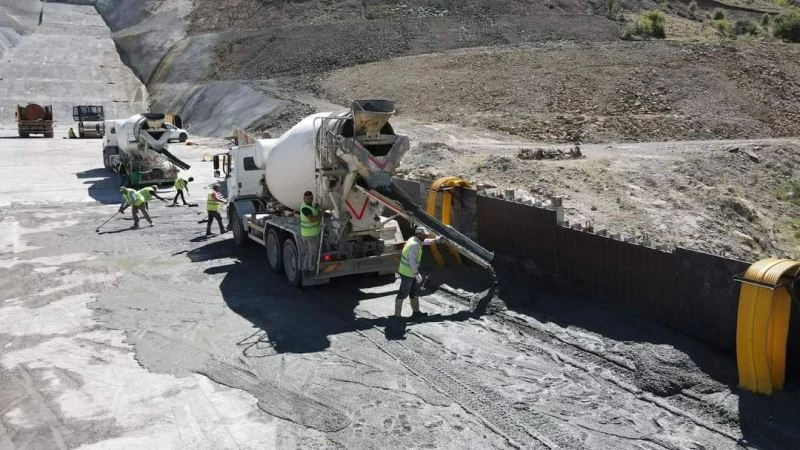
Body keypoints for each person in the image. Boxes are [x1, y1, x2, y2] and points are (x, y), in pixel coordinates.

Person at [394, 226, 441, 319]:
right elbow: (412, 261)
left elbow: (424, 242)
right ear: (418, 234)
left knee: (414, 292)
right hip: (408, 273)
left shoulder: (413, 239)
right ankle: (397, 315)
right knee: (403, 293)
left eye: (425, 235)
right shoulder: (414, 245)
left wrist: (435, 240)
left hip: (409, 271)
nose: (425, 237)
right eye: (423, 235)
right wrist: (416, 274)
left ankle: (416, 312)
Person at [299, 191, 322, 274]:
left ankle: (305, 269)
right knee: (313, 252)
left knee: (308, 252)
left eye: (311, 198)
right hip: (310, 235)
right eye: (307, 198)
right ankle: (311, 269)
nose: (310, 200)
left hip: (310, 234)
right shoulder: (305, 208)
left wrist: (318, 210)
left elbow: (316, 212)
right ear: (304, 198)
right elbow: (311, 219)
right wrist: (321, 214)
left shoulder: (311, 206)